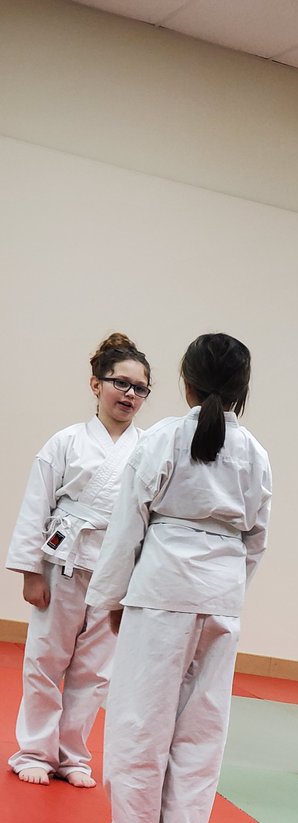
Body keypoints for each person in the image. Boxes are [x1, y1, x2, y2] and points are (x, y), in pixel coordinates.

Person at [86, 333, 271, 823]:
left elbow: (128, 525)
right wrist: (229, 592)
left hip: (164, 584)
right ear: (243, 388)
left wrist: (112, 596)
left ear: (186, 382)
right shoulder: (254, 453)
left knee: (141, 717)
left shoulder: (163, 438)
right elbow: (256, 540)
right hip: (221, 590)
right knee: (202, 725)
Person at [5, 333, 150, 788]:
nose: (129, 394)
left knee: (95, 670)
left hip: (115, 569)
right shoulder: (64, 442)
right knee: (47, 659)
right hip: (62, 560)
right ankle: (34, 750)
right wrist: (31, 571)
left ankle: (73, 755)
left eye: (139, 388)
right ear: (95, 384)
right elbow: (36, 506)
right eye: (120, 383)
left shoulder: (148, 449)